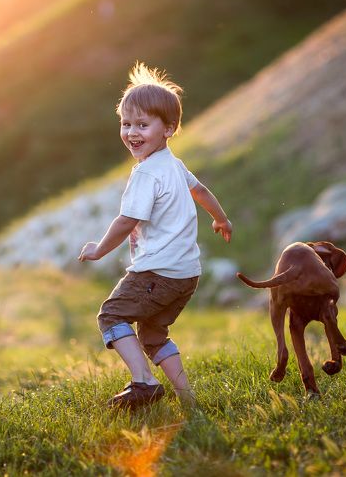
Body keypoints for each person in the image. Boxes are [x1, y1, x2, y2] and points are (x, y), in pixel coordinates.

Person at [78, 62, 232, 409]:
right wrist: (221, 219)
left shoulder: (147, 174)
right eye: (126, 124)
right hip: (186, 274)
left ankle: (143, 382)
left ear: (169, 129)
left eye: (142, 125)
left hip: (157, 272)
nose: (132, 132)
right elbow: (202, 191)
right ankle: (188, 401)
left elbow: (125, 220)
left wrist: (100, 249)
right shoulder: (173, 165)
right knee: (152, 334)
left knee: (111, 316)